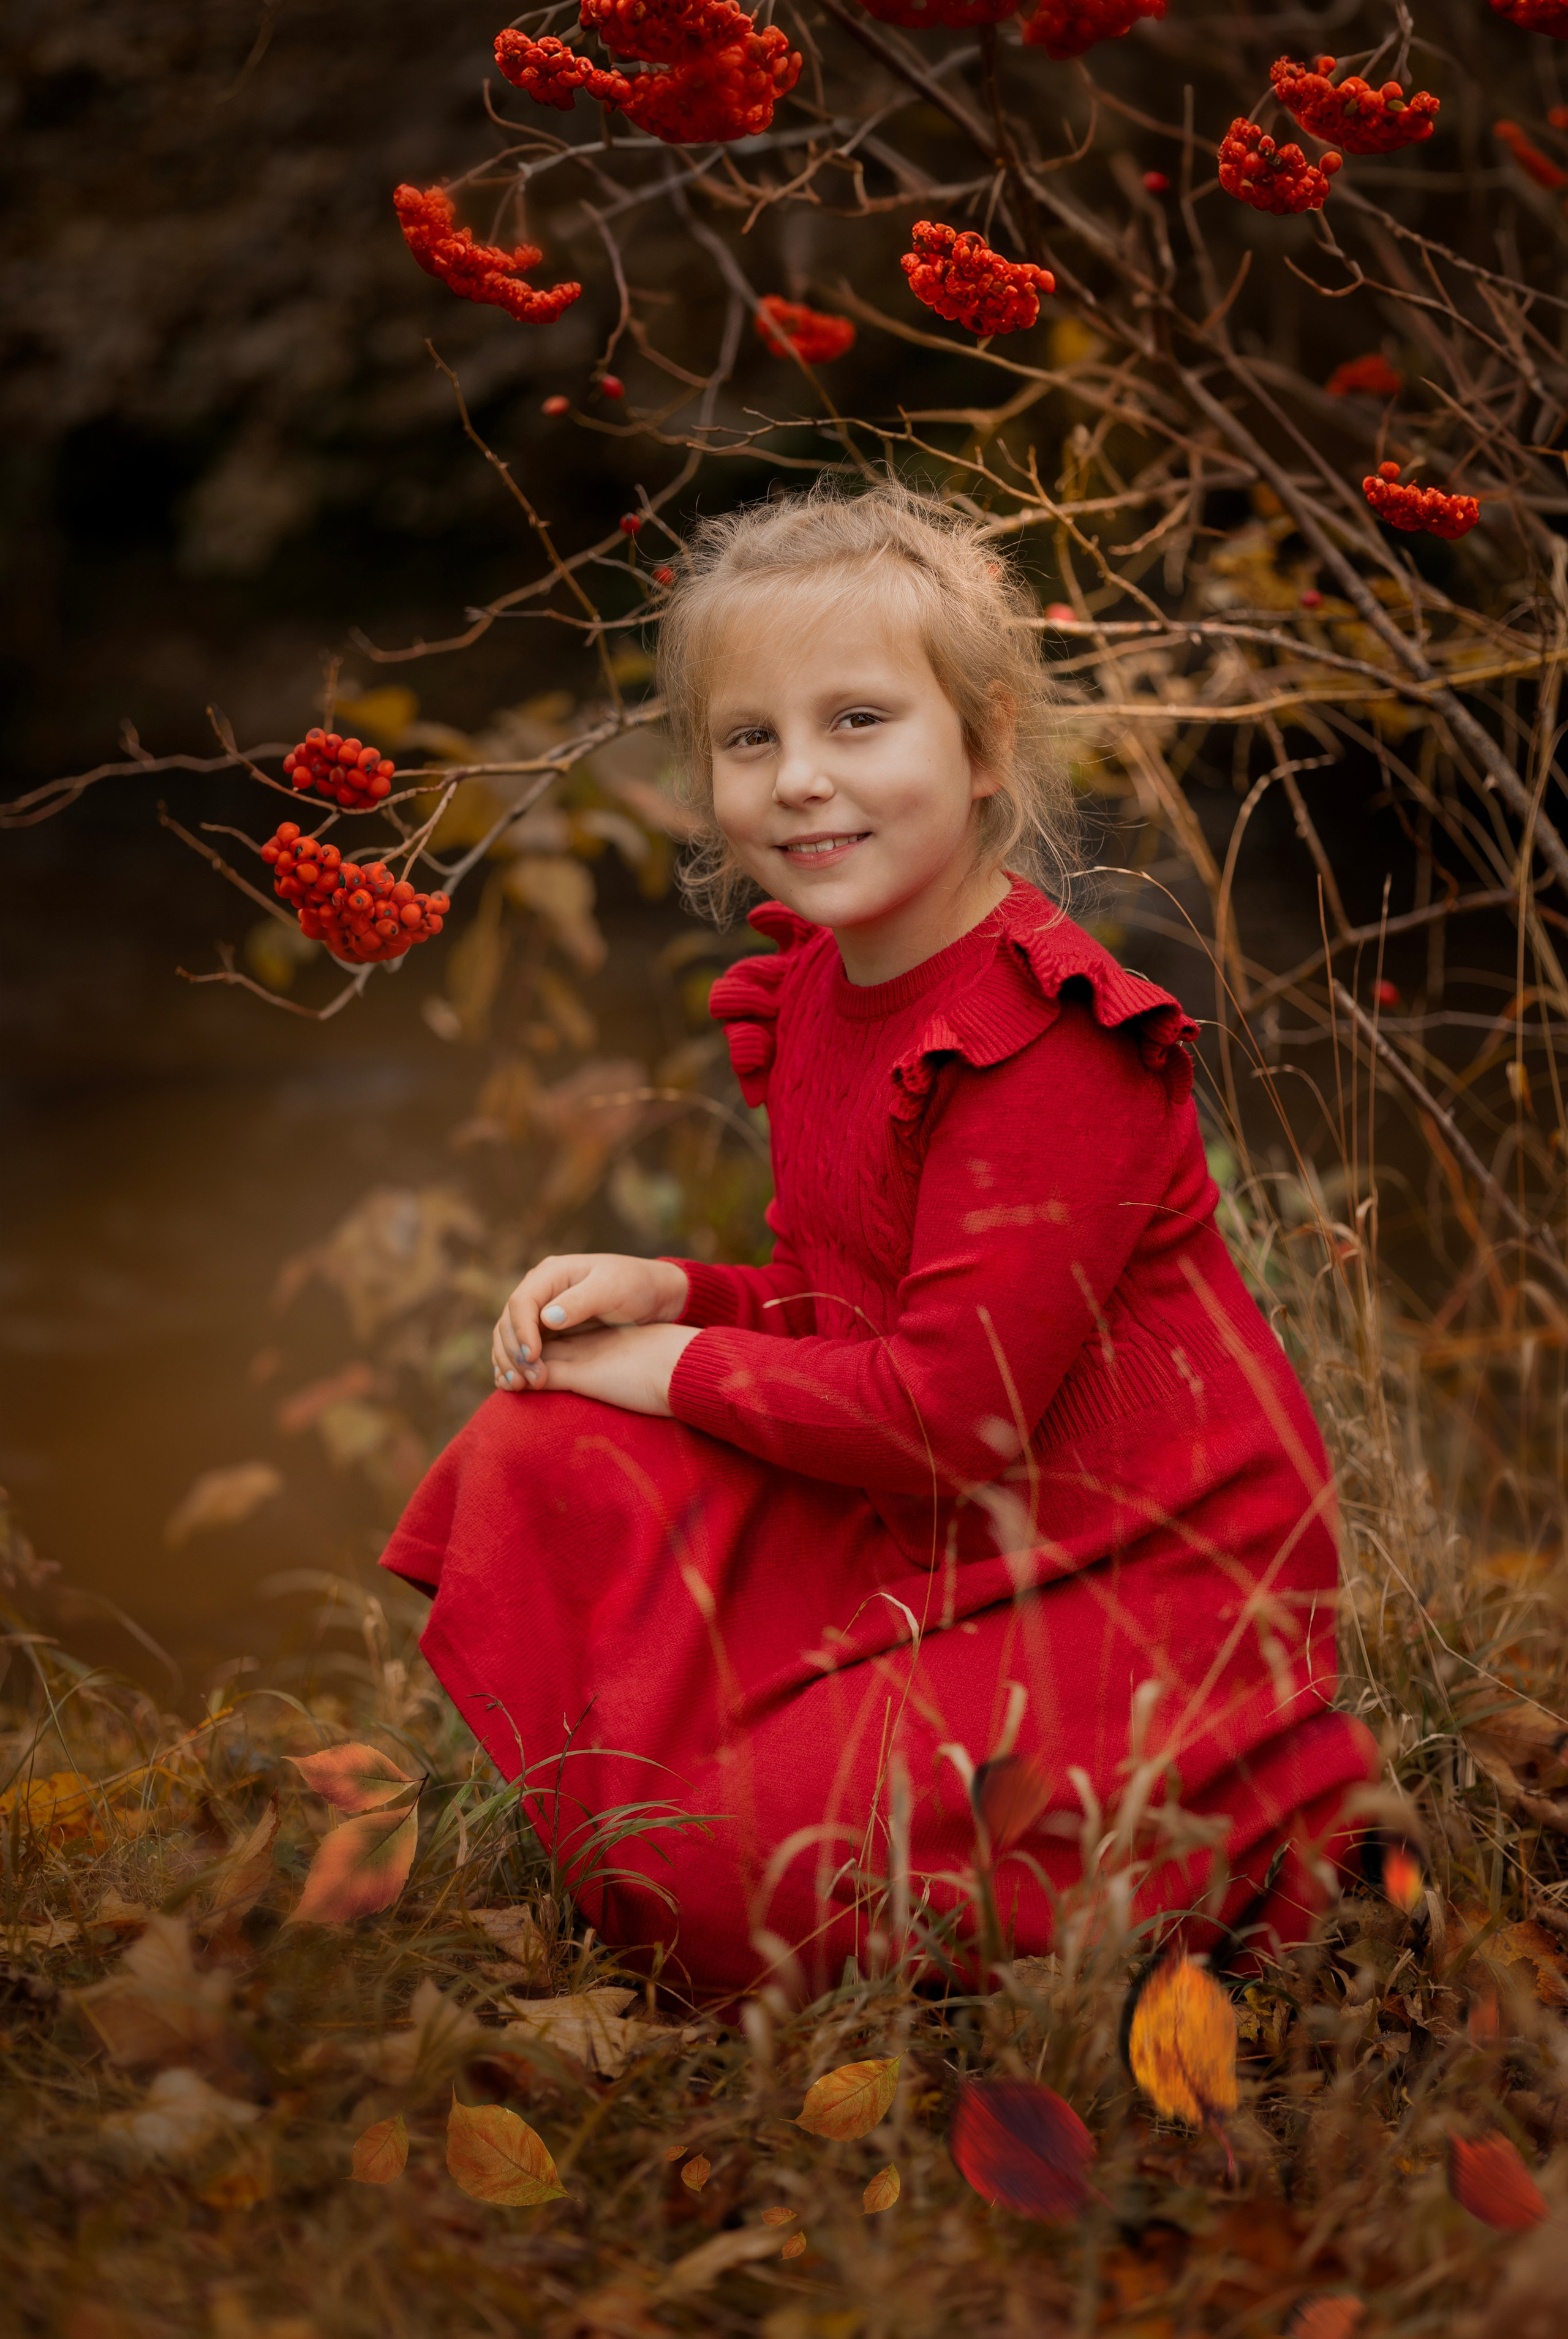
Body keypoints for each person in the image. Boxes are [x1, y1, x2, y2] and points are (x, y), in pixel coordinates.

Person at [381, 481, 1378, 2000]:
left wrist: (669, 1356)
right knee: (532, 1451)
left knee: (750, 1864)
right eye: (748, 738)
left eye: (857, 723)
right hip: (960, 1500)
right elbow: (846, 1298)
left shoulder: (1045, 1043)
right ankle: (678, 1814)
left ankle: (1247, 1823)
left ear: (980, 748)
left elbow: (944, 1411)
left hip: (1138, 1572)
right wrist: (675, 1290)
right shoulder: (821, 991)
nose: (797, 781)